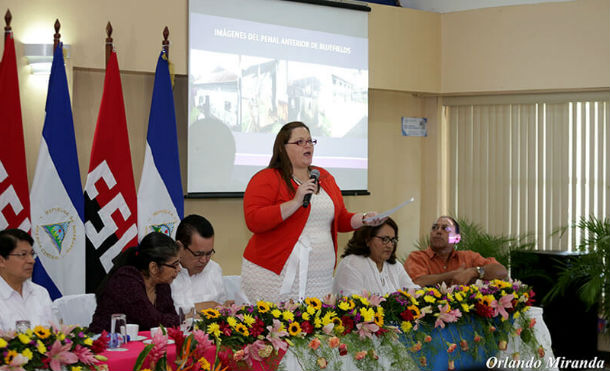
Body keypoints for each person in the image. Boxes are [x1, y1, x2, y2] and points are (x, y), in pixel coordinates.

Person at [241, 121, 384, 302]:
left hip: (319, 275)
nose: (307, 145)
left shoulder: (324, 176)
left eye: (310, 141)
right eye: (300, 142)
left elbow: (340, 219)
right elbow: (254, 221)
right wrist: (295, 202)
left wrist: (364, 219)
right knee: (277, 327)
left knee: (315, 326)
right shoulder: (266, 178)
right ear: (283, 148)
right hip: (275, 274)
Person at [89, 232, 181, 333]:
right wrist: (183, 318)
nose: (179, 269)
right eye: (174, 265)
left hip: (137, 344)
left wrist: (177, 320)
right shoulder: (126, 281)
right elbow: (153, 321)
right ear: (154, 268)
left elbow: (172, 319)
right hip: (104, 343)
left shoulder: (162, 284)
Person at [405, 216, 508, 286]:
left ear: (457, 238)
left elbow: (501, 271)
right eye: (434, 228)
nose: (438, 231)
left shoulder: (469, 257)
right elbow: (416, 282)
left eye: (446, 228)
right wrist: (453, 275)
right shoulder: (417, 257)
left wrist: (473, 272)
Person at [333, 218, 418, 296]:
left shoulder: (395, 266)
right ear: (367, 240)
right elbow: (351, 304)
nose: (390, 245)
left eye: (393, 240)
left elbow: (412, 291)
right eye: (385, 239)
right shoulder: (352, 265)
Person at [171, 214, 235, 312]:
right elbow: (161, 316)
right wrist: (203, 307)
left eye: (209, 253)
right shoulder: (166, 272)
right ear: (180, 247)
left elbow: (220, 306)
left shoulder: (214, 269)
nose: (204, 260)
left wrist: (225, 308)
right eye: (198, 254)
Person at [0, 229, 57, 330]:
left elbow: (56, 334)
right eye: (23, 254)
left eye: (31, 254)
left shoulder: (40, 293)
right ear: (2, 261)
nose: (31, 261)